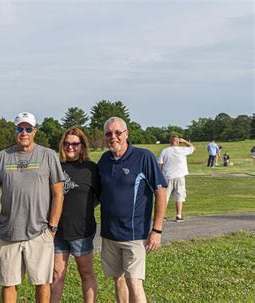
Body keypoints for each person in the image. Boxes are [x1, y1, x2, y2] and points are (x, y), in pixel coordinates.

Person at [0, 112, 65, 303]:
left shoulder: (48, 155)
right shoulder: (1, 158)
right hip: (9, 232)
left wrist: (53, 227)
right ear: (14, 131)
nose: (24, 132)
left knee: (42, 283)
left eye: (28, 128)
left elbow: (58, 192)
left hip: (40, 232)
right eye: (19, 128)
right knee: (8, 283)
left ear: (35, 131)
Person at [96, 117, 167, 302]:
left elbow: (160, 192)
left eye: (118, 132)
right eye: (109, 133)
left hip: (134, 235)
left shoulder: (144, 157)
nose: (113, 137)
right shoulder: (104, 160)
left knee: (134, 283)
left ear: (126, 134)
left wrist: (157, 230)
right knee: (118, 280)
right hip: (110, 235)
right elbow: (97, 195)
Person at [51, 127, 98, 303]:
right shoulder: (55, 166)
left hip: (81, 231)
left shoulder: (91, 168)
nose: (70, 147)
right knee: (57, 274)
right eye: (67, 143)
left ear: (82, 146)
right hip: (57, 231)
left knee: (86, 273)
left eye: (75, 144)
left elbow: (97, 197)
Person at [158, 135, 196, 222]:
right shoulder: (182, 150)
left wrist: (159, 176)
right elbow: (193, 148)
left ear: (170, 142)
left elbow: (160, 164)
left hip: (167, 176)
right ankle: (178, 215)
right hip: (179, 176)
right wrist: (185, 141)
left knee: (165, 197)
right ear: (178, 142)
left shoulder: (165, 151)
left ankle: (162, 216)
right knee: (179, 196)